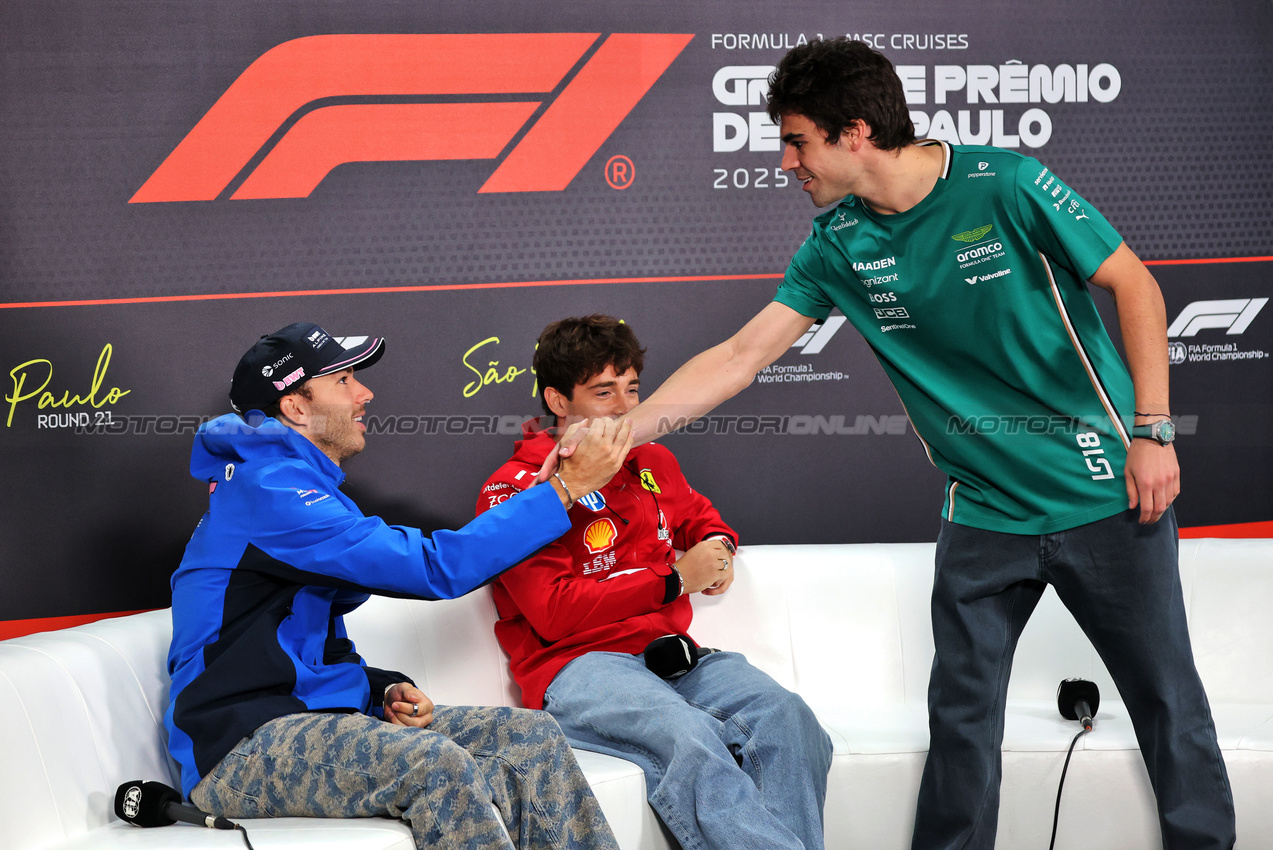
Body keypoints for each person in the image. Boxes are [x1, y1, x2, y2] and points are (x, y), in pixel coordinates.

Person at [625, 39, 1235, 850]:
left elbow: (1135, 283)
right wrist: (620, 430)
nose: (783, 161)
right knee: (960, 722)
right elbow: (740, 356)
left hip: (1102, 491)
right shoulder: (836, 244)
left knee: (1167, 702)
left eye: (795, 140)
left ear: (853, 132)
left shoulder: (1006, 185)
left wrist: (1153, 431)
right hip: (981, 512)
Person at [165, 322, 632, 850]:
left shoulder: (296, 485)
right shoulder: (270, 492)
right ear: (297, 407)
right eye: (343, 381)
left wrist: (379, 687)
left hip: (305, 722)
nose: (365, 393)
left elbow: (287, 643)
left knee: (531, 738)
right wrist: (566, 490)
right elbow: (435, 568)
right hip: (238, 750)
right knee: (436, 764)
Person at [475, 315, 833, 850]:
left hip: (673, 659)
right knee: (688, 738)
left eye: (632, 389)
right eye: (603, 392)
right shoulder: (515, 490)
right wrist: (672, 581)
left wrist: (721, 547)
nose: (625, 408)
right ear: (557, 399)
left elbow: (701, 517)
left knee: (789, 718)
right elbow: (552, 612)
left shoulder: (652, 459)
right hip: (578, 669)